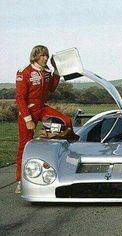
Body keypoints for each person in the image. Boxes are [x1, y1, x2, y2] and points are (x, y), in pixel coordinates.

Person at [15, 45, 78, 193]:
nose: (45, 58)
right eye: (43, 56)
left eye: (47, 56)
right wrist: (27, 118)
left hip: (42, 107)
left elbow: (52, 88)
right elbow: (20, 98)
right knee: (25, 145)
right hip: (28, 110)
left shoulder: (47, 72)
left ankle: (73, 145)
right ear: (35, 56)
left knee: (65, 121)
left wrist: (56, 71)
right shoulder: (24, 72)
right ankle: (20, 181)